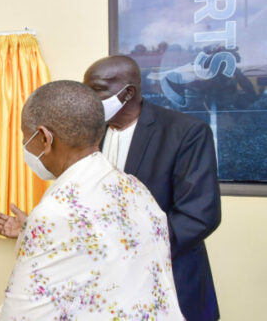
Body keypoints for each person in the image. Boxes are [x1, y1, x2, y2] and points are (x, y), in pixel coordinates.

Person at [0, 80, 183, 321]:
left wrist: (40, 228)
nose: (25, 146)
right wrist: (32, 231)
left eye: (26, 138)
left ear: (45, 138)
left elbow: (20, 315)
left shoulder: (56, 212)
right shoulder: (134, 186)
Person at [83, 55, 221, 321]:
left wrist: (131, 249)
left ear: (128, 92)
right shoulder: (90, 134)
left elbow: (199, 215)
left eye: (96, 90)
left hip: (169, 278)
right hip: (107, 285)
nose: (88, 99)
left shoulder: (186, 133)